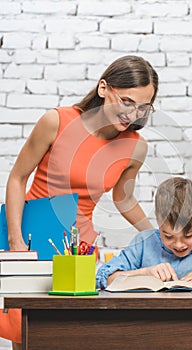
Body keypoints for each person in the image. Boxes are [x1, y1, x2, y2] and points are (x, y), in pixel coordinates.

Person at [1, 55, 159, 348]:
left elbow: (123, 198)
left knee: (73, 334)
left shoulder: (136, 146)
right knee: (26, 335)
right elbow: (17, 178)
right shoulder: (57, 121)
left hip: (81, 251)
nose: (132, 114)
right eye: (126, 101)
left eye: (143, 107)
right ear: (103, 88)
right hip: (33, 240)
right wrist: (16, 243)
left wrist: (155, 237)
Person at [96, 177, 192, 290]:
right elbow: (103, 277)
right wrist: (144, 273)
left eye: (188, 236)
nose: (179, 245)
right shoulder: (144, 244)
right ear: (157, 218)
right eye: (168, 236)